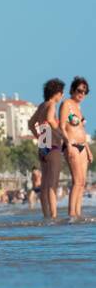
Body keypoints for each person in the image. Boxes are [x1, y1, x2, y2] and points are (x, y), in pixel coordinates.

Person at [28, 78, 67, 220]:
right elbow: (50, 119)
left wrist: (39, 137)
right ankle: (54, 216)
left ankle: (46, 216)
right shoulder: (51, 105)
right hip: (53, 145)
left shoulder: (41, 106)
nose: (62, 95)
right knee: (53, 184)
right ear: (56, 93)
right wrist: (61, 135)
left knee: (44, 185)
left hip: (43, 145)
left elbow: (31, 123)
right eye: (61, 92)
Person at [58, 76, 89, 220]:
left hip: (83, 146)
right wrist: (68, 144)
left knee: (82, 182)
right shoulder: (66, 104)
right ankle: (71, 215)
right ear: (72, 90)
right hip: (72, 145)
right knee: (77, 181)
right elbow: (62, 126)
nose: (82, 94)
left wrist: (88, 150)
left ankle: (78, 213)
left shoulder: (79, 107)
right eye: (79, 91)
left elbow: (82, 129)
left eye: (85, 91)